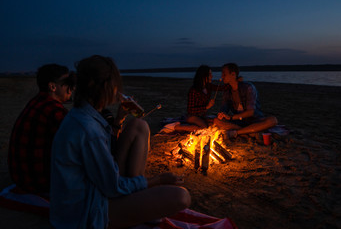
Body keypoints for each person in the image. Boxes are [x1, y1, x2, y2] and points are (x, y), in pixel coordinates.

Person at [50, 55, 191, 229]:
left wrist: (119, 120)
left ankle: (136, 201)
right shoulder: (88, 128)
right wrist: (159, 179)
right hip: (86, 214)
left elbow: (105, 161)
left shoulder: (83, 115)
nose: (117, 89)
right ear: (104, 86)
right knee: (181, 197)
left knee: (139, 125)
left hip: (93, 192)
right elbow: (113, 186)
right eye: (115, 83)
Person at [8, 64, 75, 196]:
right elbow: (76, 145)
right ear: (52, 86)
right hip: (39, 183)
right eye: (67, 83)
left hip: (21, 178)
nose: (71, 88)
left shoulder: (37, 102)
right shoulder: (54, 110)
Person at [214, 63, 278, 138]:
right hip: (240, 122)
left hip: (254, 120)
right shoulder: (227, 91)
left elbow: (251, 112)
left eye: (224, 74)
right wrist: (222, 114)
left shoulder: (248, 87)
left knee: (273, 120)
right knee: (216, 121)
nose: (222, 76)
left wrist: (231, 117)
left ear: (233, 74)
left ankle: (238, 132)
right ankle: (248, 131)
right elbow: (224, 109)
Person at [174, 65, 228, 133]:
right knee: (204, 128)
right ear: (203, 76)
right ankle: (178, 127)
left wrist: (235, 81)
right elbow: (190, 110)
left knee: (214, 124)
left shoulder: (208, 86)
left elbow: (221, 88)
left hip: (201, 116)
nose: (212, 76)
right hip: (192, 116)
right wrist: (207, 107)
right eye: (210, 74)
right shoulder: (194, 90)